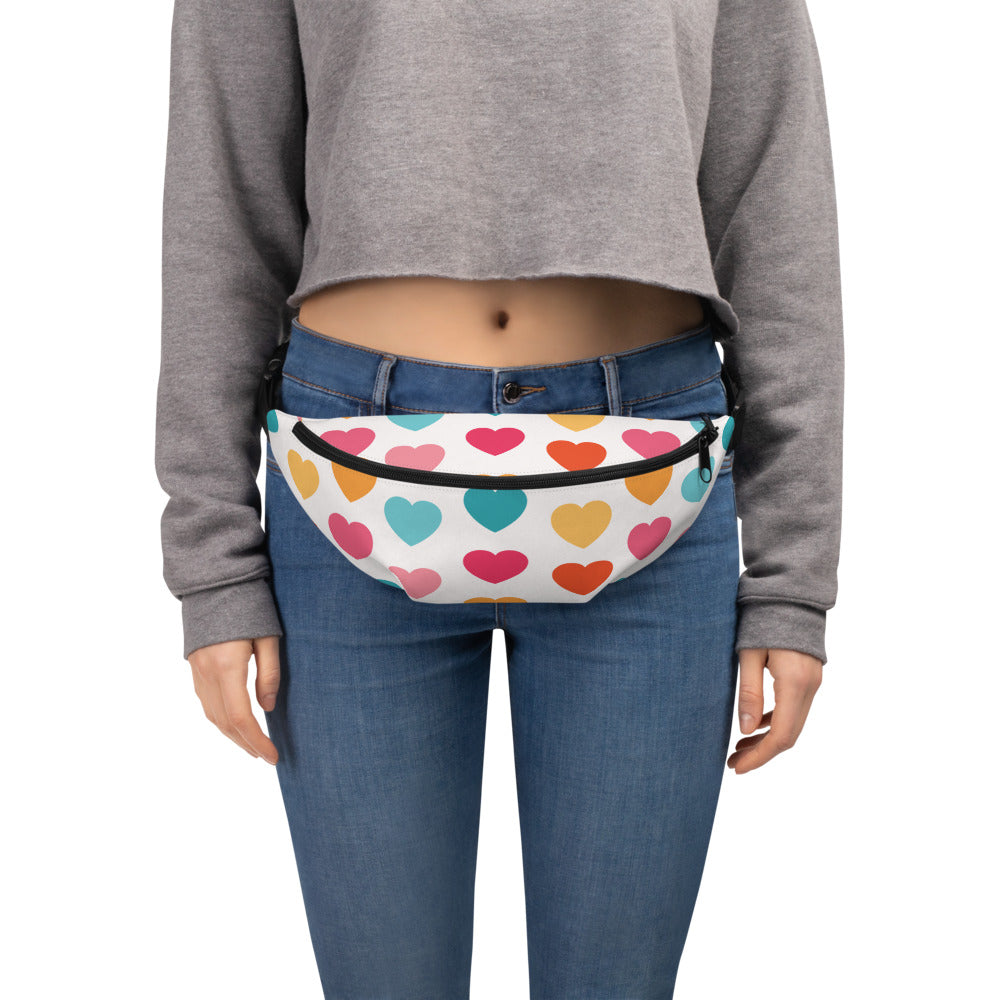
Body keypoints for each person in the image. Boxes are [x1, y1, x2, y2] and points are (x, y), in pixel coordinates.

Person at [155, 1, 843, 996]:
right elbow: (220, 197)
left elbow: (774, 197)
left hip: (652, 476)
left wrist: (793, 579)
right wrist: (211, 560)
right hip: (350, 472)